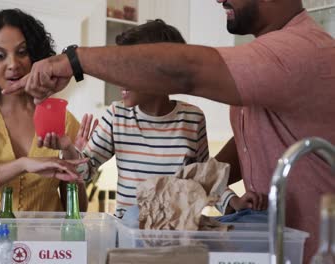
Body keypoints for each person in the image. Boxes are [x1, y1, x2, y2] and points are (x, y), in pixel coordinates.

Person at [3, 0, 335, 262]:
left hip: (308, 250)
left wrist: (72, 61)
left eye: (135, 70)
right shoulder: (118, 117)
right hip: (263, 242)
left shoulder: (296, 52)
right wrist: (70, 153)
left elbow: (186, 72)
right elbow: (217, 166)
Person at [38, 19, 266, 220]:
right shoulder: (117, 117)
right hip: (129, 235)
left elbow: (204, 177)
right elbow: (83, 171)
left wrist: (233, 202)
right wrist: (67, 148)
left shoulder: (192, 118)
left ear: (160, 74)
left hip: (175, 233)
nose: (118, 79)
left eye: (129, 70)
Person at [0, 9, 88, 213]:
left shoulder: (64, 120)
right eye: (0, 55)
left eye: (22, 52)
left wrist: (71, 159)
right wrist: (23, 164)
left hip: (46, 244)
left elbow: (78, 210)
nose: (13, 64)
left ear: (36, 56)